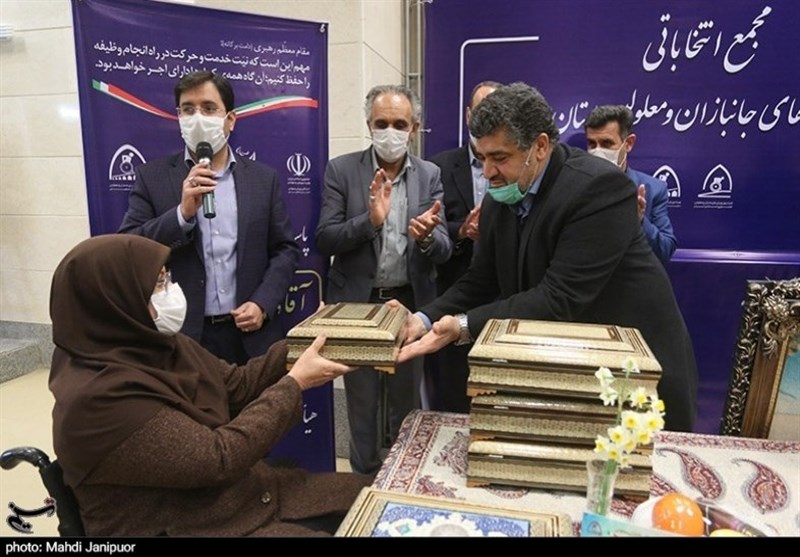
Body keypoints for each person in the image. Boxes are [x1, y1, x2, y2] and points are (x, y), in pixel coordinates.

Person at [396, 82, 698, 432]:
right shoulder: (501, 195)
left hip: (633, 374)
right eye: (482, 158)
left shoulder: (598, 187)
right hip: (565, 367)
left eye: (500, 158)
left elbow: (559, 298)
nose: (488, 172)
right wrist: (423, 319)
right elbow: (481, 280)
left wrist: (463, 326)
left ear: (539, 147)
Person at [48, 234, 370, 537]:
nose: (171, 291)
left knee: (372, 497)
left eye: (167, 277)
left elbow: (239, 384)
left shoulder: (157, 345)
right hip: (197, 525)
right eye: (158, 283)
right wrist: (295, 383)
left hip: (240, 498)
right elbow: (219, 458)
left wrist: (306, 338)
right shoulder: (99, 403)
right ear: (116, 301)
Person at [315, 84, 452, 474]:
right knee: (361, 406)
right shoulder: (341, 170)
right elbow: (325, 238)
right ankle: (361, 485)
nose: (390, 132)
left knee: (405, 405)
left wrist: (427, 238)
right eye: (381, 123)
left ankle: (399, 482)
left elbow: (444, 250)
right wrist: (370, 222)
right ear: (369, 125)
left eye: (399, 124)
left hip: (407, 305)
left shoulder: (430, 174)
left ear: (414, 129)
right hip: (356, 306)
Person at [118, 71, 300, 365]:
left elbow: (285, 250)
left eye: (209, 108)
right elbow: (128, 246)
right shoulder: (152, 178)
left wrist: (263, 303)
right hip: (183, 337)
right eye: (188, 109)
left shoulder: (263, 179)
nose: (198, 118)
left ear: (230, 119)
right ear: (179, 117)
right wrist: (181, 215)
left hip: (251, 336)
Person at [426, 80, 501, 413]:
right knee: (454, 390)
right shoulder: (439, 166)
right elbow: (435, 224)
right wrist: (462, 231)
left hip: (505, 294)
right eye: (482, 110)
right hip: (454, 288)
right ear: (469, 115)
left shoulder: (517, 167)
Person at [584, 104, 677, 267]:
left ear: (628, 143)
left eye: (607, 143)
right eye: (592, 144)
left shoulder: (654, 190)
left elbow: (665, 252)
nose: (597, 151)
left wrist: (639, 220)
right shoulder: (575, 186)